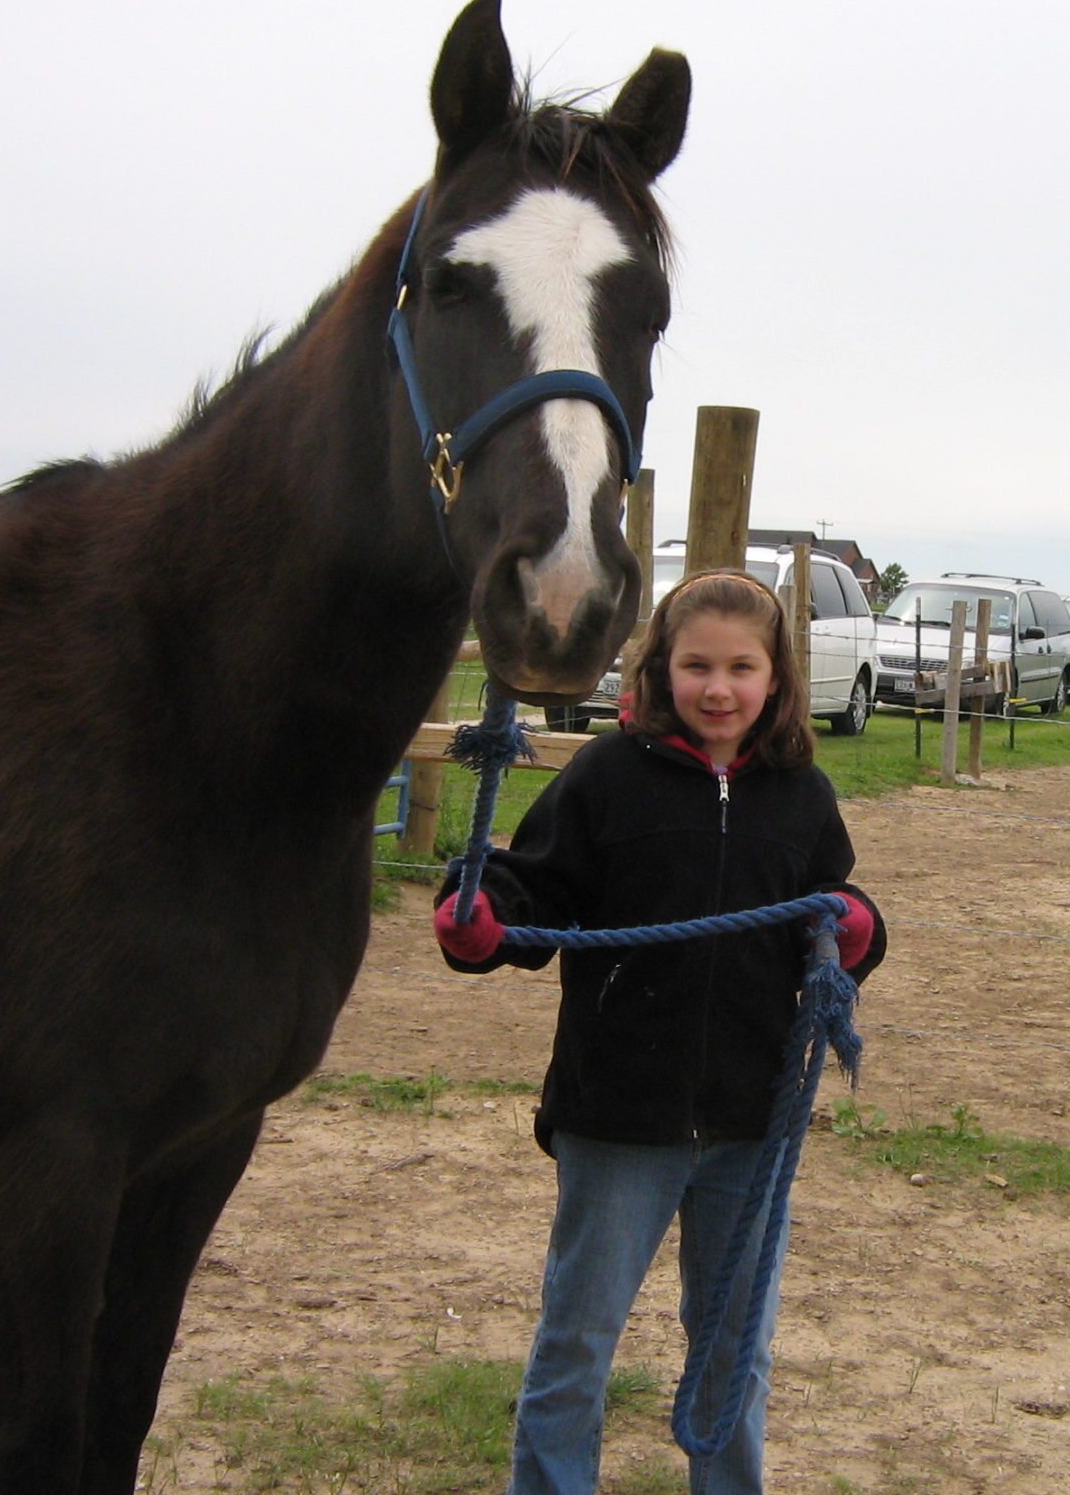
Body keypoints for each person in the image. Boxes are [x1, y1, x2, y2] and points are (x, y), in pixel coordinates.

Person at [434, 568, 886, 1495]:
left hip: (749, 1127)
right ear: (659, 671)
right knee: (578, 1342)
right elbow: (536, 889)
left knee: (733, 1351)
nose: (718, 689)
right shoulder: (606, 778)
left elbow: (835, 907)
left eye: (741, 668)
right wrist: (478, 915)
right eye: (696, 666)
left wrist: (857, 928)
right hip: (619, 1119)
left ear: (776, 679)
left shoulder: (803, 795)